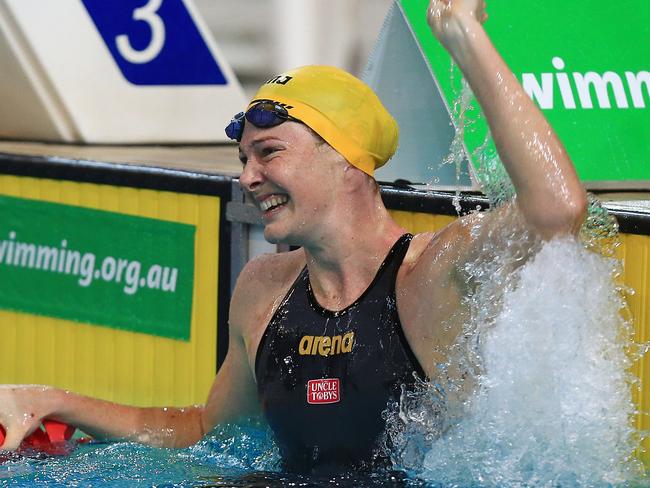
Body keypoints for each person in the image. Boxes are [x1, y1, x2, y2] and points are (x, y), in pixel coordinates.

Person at [0, 0, 587, 476]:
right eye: (243, 158)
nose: (248, 177)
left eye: (269, 153)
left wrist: (465, 39)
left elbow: (557, 209)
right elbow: (204, 432)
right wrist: (52, 399)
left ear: (347, 161)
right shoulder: (263, 289)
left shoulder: (431, 275)